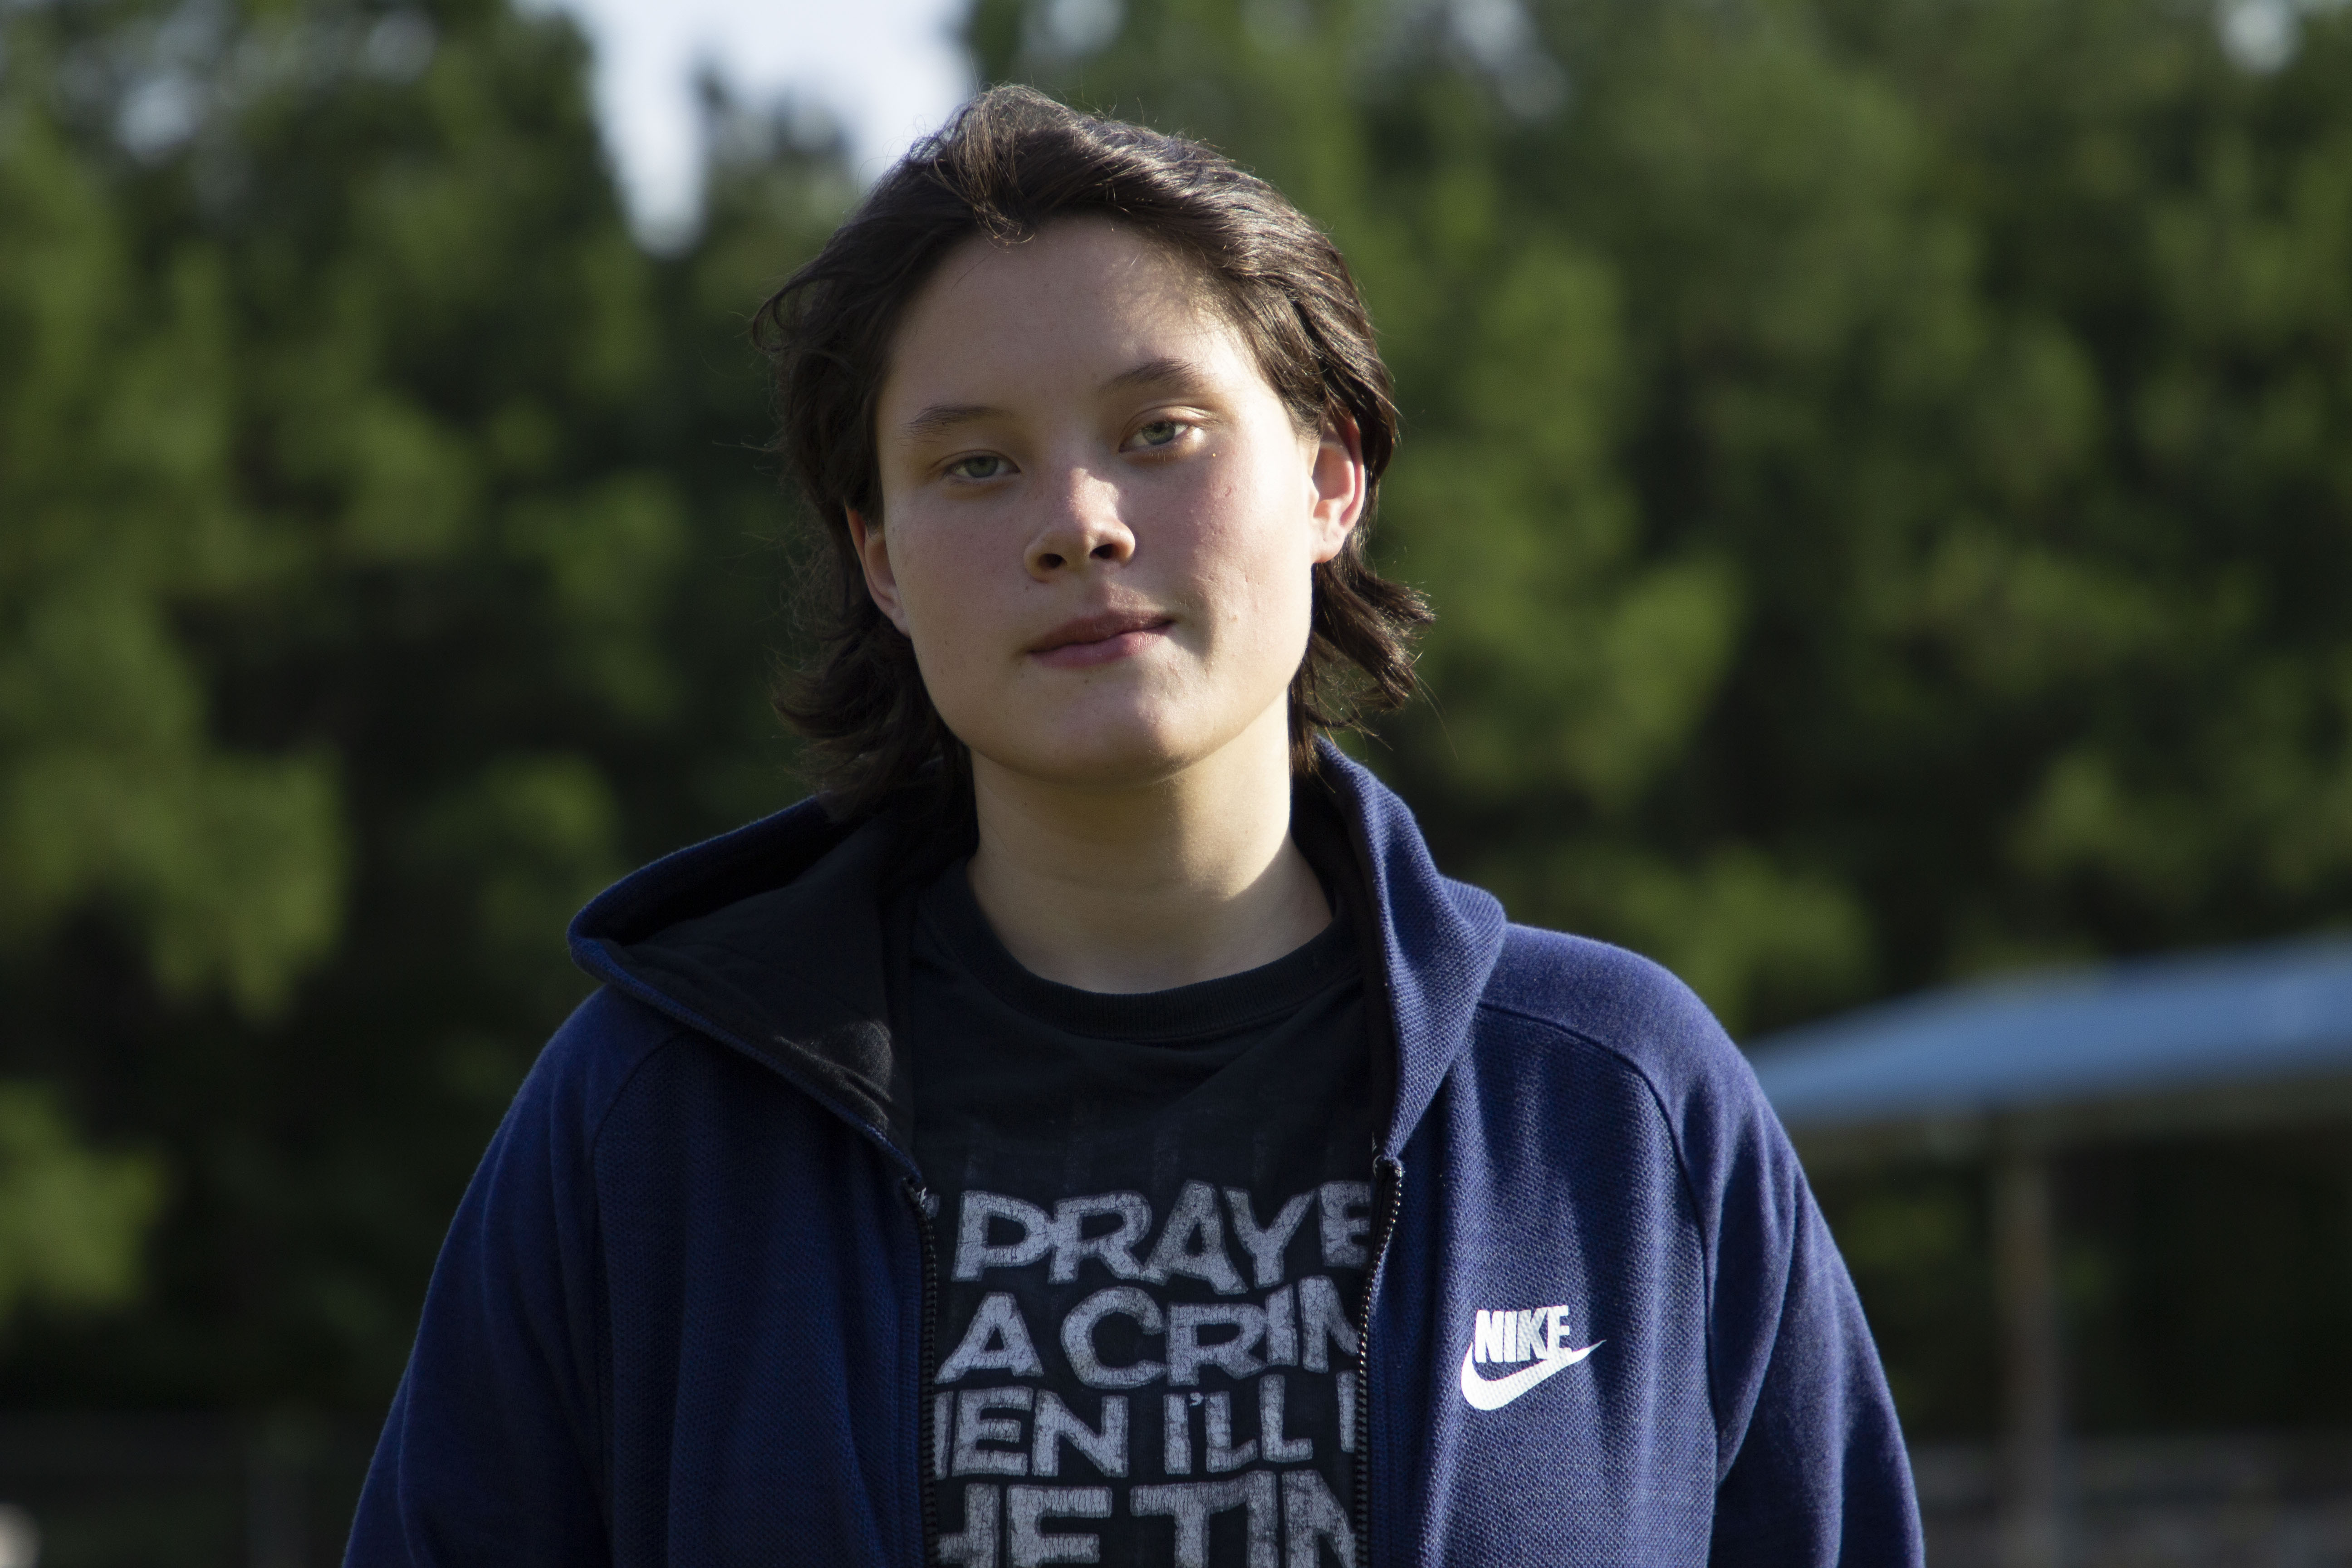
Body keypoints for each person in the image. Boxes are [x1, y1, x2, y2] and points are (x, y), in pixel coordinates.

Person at [345, 85, 1922, 1568]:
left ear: (1328, 476)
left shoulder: (1615, 1105)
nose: (1078, 522)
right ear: (880, 558)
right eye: (974, 464)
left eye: (1161, 430)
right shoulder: (648, 1126)